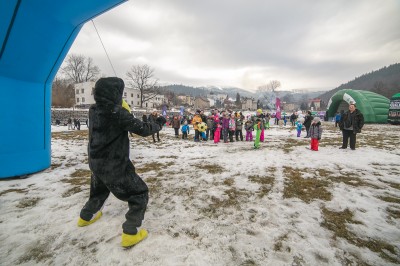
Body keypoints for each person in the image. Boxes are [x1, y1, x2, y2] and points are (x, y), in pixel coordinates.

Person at [77, 77, 166, 248]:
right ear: (114, 94)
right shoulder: (117, 113)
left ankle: (85, 217)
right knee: (139, 194)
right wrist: (159, 123)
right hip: (115, 164)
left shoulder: (93, 110)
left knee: (98, 192)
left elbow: (111, 117)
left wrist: (122, 109)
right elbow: (143, 129)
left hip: (96, 162)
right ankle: (131, 232)